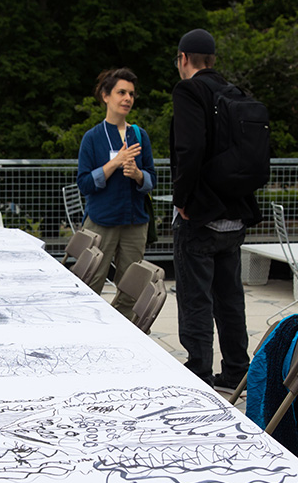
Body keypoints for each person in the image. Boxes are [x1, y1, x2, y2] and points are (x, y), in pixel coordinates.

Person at [170, 28, 262, 389]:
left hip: (201, 218)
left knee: (195, 298)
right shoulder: (234, 94)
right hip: (235, 216)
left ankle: (199, 372)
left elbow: (189, 151)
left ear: (183, 59)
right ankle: (238, 369)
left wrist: (182, 200)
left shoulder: (189, 91)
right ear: (212, 60)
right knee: (229, 298)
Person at [76, 68, 156, 317]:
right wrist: (115, 163)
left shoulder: (139, 135)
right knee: (90, 282)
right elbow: (85, 184)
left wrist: (138, 175)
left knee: (134, 287)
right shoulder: (92, 138)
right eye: (121, 92)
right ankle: (88, 330)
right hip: (101, 222)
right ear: (105, 96)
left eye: (131, 94)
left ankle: (125, 334)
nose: (128, 99)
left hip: (135, 222)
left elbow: (152, 179)